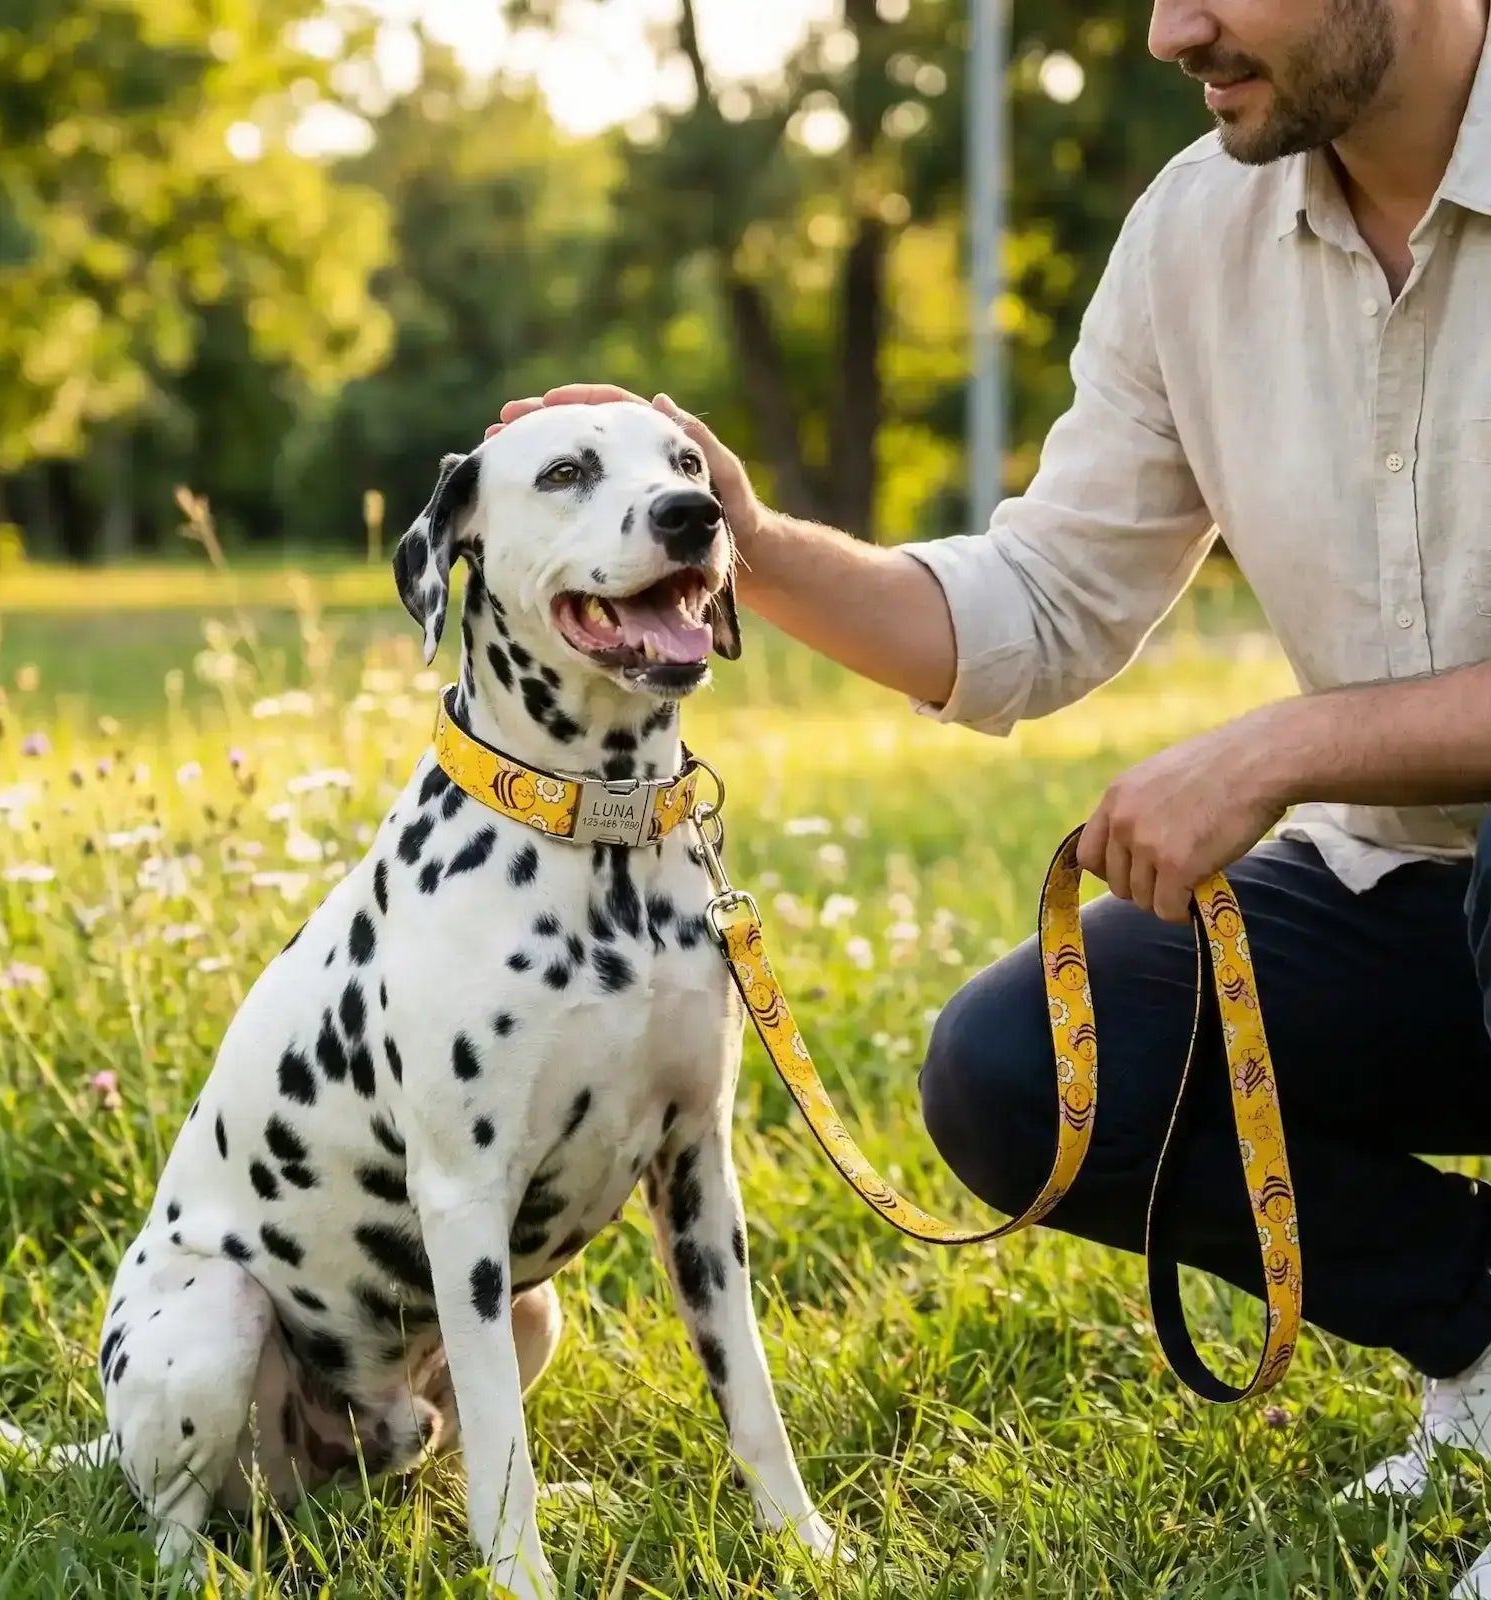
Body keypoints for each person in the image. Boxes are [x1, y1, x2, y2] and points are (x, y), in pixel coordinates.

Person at [489, 0, 1491, 1556]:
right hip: (1413, 904)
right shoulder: (1194, 235)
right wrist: (738, 536)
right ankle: (1484, 1335)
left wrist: (1288, 745)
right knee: (1020, 1068)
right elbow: (1038, 606)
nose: (1172, 27)